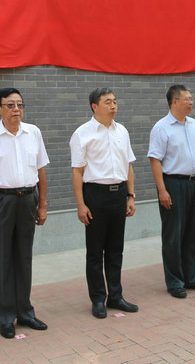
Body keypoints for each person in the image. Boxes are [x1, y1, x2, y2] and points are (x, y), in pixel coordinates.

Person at [0, 88, 49, 339]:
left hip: (28, 199)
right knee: (2, 259)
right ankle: (6, 317)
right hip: (1, 201)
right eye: (10, 105)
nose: (16, 109)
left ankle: (25, 312)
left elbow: (41, 170)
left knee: (23, 258)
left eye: (20, 104)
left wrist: (42, 205)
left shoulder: (33, 133)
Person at [71, 87, 139, 318]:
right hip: (95, 195)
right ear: (94, 106)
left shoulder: (122, 131)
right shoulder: (82, 133)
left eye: (115, 101)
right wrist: (81, 204)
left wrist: (130, 196)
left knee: (115, 250)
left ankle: (116, 296)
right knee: (95, 252)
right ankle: (98, 299)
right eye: (108, 102)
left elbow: (128, 165)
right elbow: (77, 171)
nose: (113, 105)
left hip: (118, 194)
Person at [148, 85, 195, 298]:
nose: (191, 102)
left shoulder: (194, 125)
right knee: (173, 235)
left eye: (192, 98)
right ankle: (175, 281)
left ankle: (193, 277)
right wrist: (162, 190)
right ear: (175, 101)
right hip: (173, 184)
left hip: (194, 183)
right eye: (187, 99)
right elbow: (155, 160)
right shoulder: (161, 128)